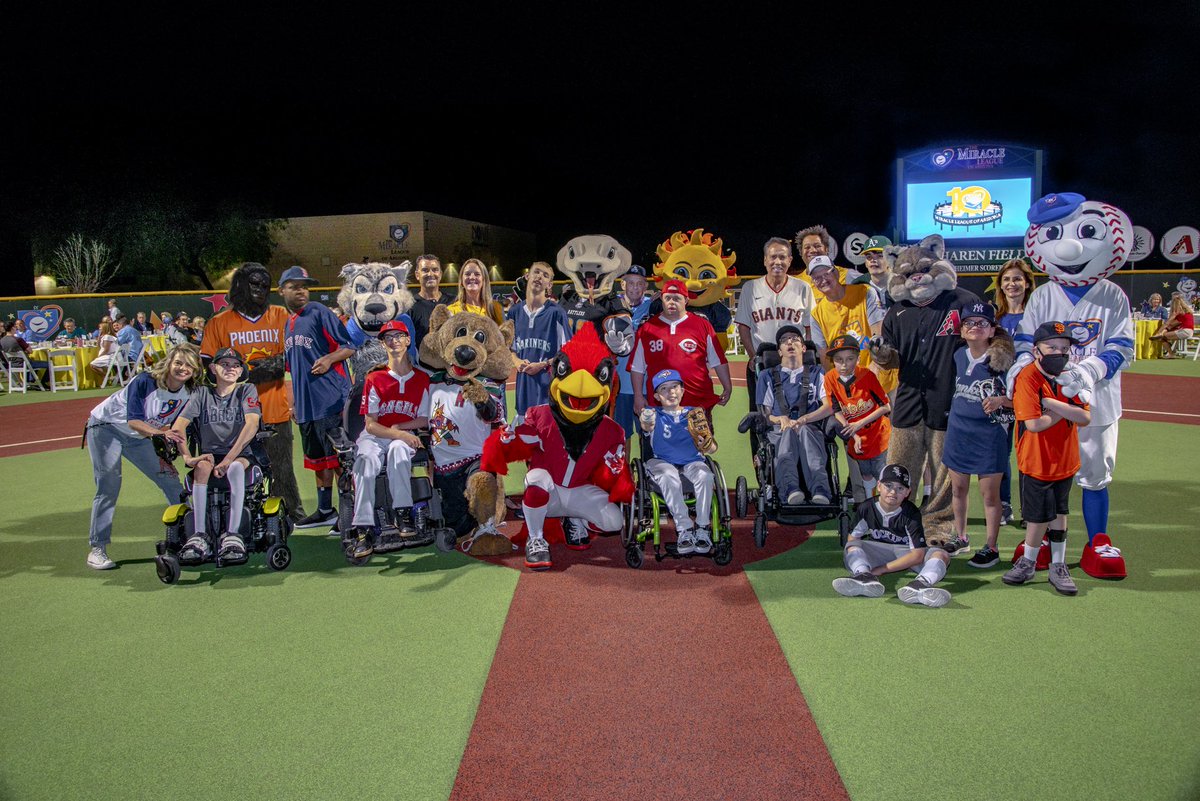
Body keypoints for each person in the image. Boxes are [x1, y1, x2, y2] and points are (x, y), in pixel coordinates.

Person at [203, 262, 307, 524]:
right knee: (235, 467)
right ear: (240, 286)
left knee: (281, 466)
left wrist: (277, 363)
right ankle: (236, 517)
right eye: (254, 284)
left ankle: (289, 513)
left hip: (274, 406)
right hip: (233, 414)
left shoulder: (280, 315)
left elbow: (299, 353)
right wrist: (244, 372)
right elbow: (207, 364)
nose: (260, 289)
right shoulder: (219, 323)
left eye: (264, 284)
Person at [83, 344, 202, 569]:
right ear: (169, 363)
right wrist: (160, 433)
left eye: (189, 365)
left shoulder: (190, 392)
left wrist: (186, 456)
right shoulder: (145, 381)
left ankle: (192, 536)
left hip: (140, 437)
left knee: (169, 480)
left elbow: (178, 429)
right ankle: (97, 548)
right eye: (178, 362)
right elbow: (134, 421)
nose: (182, 368)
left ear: (196, 370)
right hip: (107, 428)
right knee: (109, 485)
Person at [1003, 322, 1092, 595]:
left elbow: (1086, 417)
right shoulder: (1028, 376)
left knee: (1060, 512)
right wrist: (1067, 408)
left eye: (1064, 348)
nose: (1059, 353)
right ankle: (1029, 561)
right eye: (1052, 347)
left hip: (1065, 459)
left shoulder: (1072, 375)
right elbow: (1033, 424)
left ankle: (1058, 564)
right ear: (1036, 350)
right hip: (1036, 460)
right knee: (1038, 516)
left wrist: (1051, 403)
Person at [279, 265, 357, 529]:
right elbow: (290, 368)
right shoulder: (288, 323)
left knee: (338, 460)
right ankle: (325, 510)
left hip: (332, 400)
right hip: (307, 405)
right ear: (282, 291)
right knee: (317, 460)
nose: (301, 290)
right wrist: (292, 402)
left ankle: (350, 511)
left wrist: (328, 358)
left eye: (305, 286)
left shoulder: (319, 312)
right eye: (294, 286)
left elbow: (349, 346)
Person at [170, 348, 263, 564]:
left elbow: (252, 424)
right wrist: (187, 457)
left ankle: (233, 535)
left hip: (240, 453)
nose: (230, 368)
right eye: (225, 364)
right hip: (211, 454)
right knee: (202, 467)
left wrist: (229, 458)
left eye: (235, 365)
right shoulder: (202, 394)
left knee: (235, 468)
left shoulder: (246, 390)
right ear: (213, 368)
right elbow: (179, 426)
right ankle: (199, 536)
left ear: (241, 371)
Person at [347, 320, 431, 558]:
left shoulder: (422, 379)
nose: (394, 341)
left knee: (399, 451)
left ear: (407, 340)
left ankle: (403, 514)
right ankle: (362, 527)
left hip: (400, 435)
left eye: (398, 336)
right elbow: (371, 425)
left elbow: (424, 419)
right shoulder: (375, 378)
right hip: (375, 435)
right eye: (388, 338)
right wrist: (400, 432)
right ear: (383, 345)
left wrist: (401, 429)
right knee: (365, 460)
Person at [943, 302, 1014, 569]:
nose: (975, 327)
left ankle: (992, 547)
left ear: (992, 329)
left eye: (982, 323)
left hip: (988, 435)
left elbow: (1023, 398)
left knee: (989, 495)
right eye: (969, 323)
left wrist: (1002, 401)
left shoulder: (1003, 361)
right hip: (959, 431)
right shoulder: (959, 355)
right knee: (958, 489)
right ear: (961, 330)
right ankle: (961, 537)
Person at [734, 238, 815, 453]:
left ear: (789, 260)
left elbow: (809, 327)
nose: (777, 261)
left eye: (782, 257)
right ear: (764, 260)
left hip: (794, 362)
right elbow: (743, 326)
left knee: (798, 410)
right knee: (760, 414)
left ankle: (800, 459)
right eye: (773, 256)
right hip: (762, 360)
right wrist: (752, 356)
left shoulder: (803, 288)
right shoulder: (751, 288)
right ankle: (761, 461)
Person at [832, 464, 953, 608]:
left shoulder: (910, 513)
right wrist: (865, 563)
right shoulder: (867, 508)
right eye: (888, 485)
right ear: (879, 486)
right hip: (879, 551)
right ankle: (863, 575)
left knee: (941, 554)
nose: (893, 492)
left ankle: (921, 584)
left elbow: (917, 556)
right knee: (852, 545)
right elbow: (853, 538)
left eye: (900, 488)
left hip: (906, 553)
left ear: (907, 492)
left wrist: (882, 569)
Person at [638, 369, 717, 554]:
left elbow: (711, 449)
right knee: (668, 476)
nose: (671, 392)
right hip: (661, 461)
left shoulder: (694, 414)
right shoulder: (654, 413)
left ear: (682, 390)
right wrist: (646, 419)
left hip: (691, 461)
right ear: (657, 396)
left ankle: (703, 527)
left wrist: (705, 443)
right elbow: (646, 424)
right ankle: (685, 529)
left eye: (675, 387)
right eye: (664, 389)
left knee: (705, 475)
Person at [630, 279, 732, 418]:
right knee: (660, 440)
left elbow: (718, 360)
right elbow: (637, 368)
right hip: (660, 404)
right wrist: (638, 396)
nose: (671, 302)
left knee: (701, 440)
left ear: (686, 300)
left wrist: (727, 386)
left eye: (677, 298)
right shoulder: (647, 329)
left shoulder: (703, 326)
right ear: (661, 299)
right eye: (668, 298)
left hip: (697, 404)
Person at [756, 327, 833, 505]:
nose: (790, 342)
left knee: (805, 432)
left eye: (795, 339)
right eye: (784, 340)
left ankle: (820, 489)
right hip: (780, 430)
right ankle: (789, 488)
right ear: (779, 351)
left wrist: (806, 419)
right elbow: (765, 414)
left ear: (804, 348)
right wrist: (780, 419)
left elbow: (828, 406)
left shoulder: (818, 373)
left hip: (810, 426)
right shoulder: (767, 376)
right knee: (788, 433)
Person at [806, 255, 895, 395]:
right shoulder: (816, 314)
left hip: (881, 379)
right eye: (817, 278)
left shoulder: (864, 292)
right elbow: (825, 358)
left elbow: (879, 335)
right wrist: (841, 385)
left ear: (835, 273)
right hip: (850, 388)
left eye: (826, 274)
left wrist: (873, 371)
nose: (822, 280)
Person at [992, 258, 1036, 525]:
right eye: (1007, 280)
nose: (1012, 284)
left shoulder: (1036, 315)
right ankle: (1004, 504)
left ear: (1028, 283)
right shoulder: (994, 318)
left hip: (1029, 394)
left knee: (1029, 455)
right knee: (1001, 453)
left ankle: (1030, 510)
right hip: (1000, 395)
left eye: (1017, 279)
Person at [823, 333, 892, 499]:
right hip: (857, 438)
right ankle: (868, 505)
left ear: (858, 359)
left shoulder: (867, 376)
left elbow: (886, 406)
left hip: (879, 435)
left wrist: (859, 424)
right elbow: (836, 409)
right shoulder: (830, 378)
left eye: (850, 359)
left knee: (883, 476)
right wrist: (854, 433)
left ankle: (885, 511)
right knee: (865, 475)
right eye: (839, 359)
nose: (844, 364)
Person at [507, 261, 570, 424]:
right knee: (524, 444)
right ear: (527, 277)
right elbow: (509, 349)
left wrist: (543, 365)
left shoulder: (557, 313)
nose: (539, 277)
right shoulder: (514, 312)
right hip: (523, 394)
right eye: (536, 272)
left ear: (549, 285)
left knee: (548, 445)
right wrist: (517, 361)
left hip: (548, 393)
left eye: (545, 275)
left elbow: (568, 352)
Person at [614, 265, 654, 440]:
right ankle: (624, 469)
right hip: (619, 384)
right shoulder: (612, 305)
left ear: (645, 287)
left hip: (646, 385)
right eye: (631, 283)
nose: (635, 288)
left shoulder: (653, 305)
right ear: (623, 285)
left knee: (647, 434)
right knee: (621, 436)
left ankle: (648, 467)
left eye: (640, 284)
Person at [408, 254, 455, 351]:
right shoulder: (410, 306)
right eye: (425, 270)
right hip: (422, 365)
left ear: (440, 274)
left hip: (452, 364)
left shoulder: (454, 301)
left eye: (435, 270)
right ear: (417, 275)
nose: (430, 274)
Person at [793, 224, 850, 300]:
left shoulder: (846, 275)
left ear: (826, 249)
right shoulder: (795, 283)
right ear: (801, 253)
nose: (813, 250)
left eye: (817, 246)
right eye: (807, 247)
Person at [446, 258, 505, 325]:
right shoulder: (451, 311)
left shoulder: (496, 308)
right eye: (467, 274)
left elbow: (504, 334)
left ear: (484, 280)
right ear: (461, 280)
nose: (472, 277)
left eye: (477, 274)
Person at [848, 235, 895, 309]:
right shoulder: (857, 285)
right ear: (866, 263)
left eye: (880, 256)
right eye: (869, 257)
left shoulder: (902, 284)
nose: (873, 260)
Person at [1149, 293, 1195, 358]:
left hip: (1185, 331)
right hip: (1188, 331)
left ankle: (1171, 353)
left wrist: (1159, 333)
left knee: (1161, 337)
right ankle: (1170, 351)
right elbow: (1170, 326)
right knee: (1163, 335)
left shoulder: (1177, 313)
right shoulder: (1186, 312)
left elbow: (1167, 323)